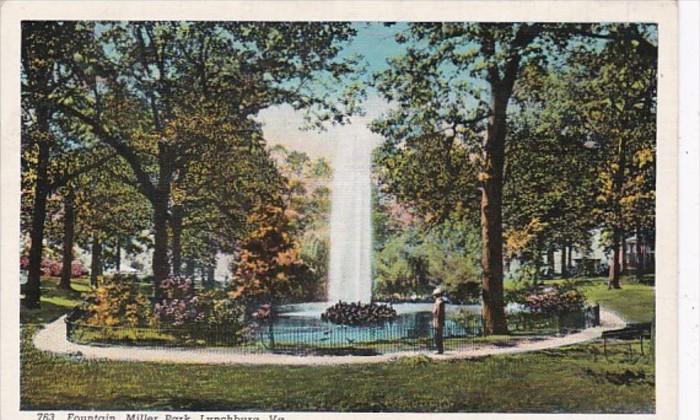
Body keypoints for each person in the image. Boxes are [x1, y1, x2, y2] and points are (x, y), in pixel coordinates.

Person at [432, 287, 446, 354]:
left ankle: (440, 350)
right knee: (436, 336)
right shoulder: (437, 302)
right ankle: (439, 349)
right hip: (436, 321)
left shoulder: (440, 302)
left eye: (435, 295)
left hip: (438, 322)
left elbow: (439, 313)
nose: (434, 296)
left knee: (438, 336)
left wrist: (439, 322)